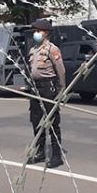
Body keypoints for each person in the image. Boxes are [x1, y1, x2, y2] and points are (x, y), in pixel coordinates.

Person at [26, 19, 66, 169]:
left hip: (48, 87)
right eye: (35, 31)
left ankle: (57, 155)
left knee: (52, 122)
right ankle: (40, 152)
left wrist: (61, 89)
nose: (36, 33)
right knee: (36, 121)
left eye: (38, 31)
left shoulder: (52, 49)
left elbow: (60, 70)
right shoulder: (33, 49)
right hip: (35, 88)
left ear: (46, 33)